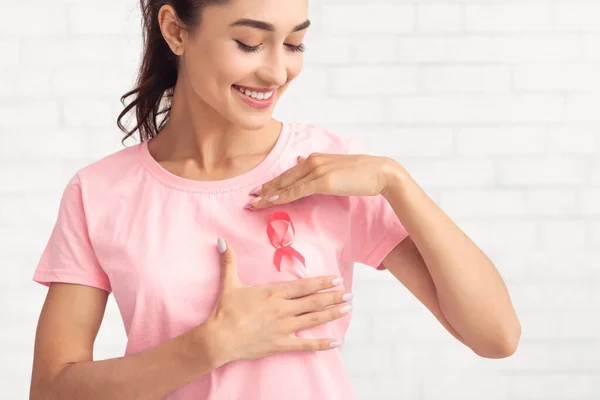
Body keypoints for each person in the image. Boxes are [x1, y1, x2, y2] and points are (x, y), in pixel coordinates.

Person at [29, 0, 521, 399]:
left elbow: (495, 336)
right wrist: (212, 346)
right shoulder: (100, 193)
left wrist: (395, 181)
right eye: (249, 43)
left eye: (294, 44)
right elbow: (51, 389)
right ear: (176, 31)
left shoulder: (329, 169)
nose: (277, 71)